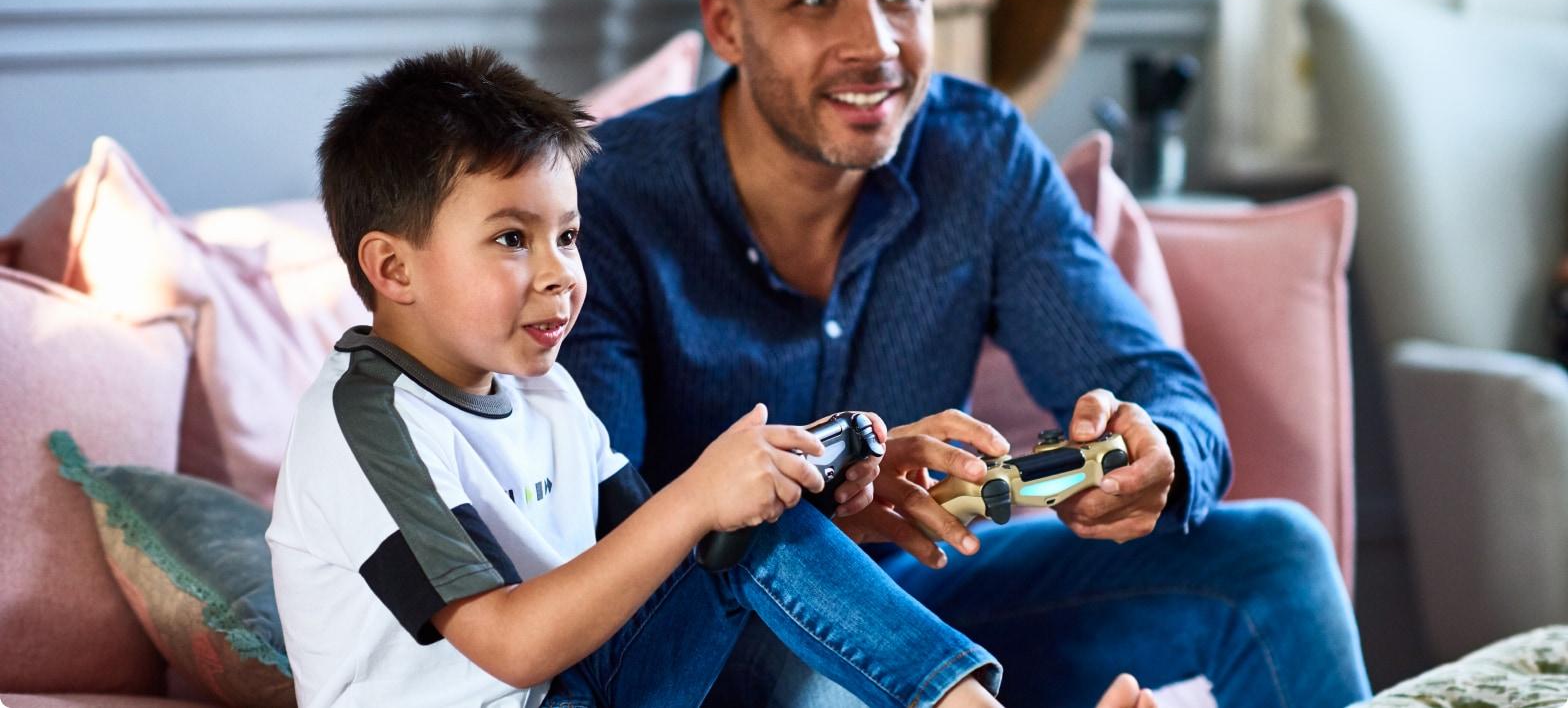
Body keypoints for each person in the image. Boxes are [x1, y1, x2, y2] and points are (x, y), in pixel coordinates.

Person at [558, 0, 1373, 708]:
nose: (875, 45)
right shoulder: (605, 206)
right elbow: (600, 535)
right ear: (726, 25)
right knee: (811, 654)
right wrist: (830, 499)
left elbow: (1155, 383)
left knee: (1278, 554)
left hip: (928, 598)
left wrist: (1158, 448)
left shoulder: (979, 154)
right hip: (719, 644)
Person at [265, 47, 1157, 708]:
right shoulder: (370, 420)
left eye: (569, 235)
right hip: (543, 686)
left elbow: (671, 558)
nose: (560, 273)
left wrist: (816, 493)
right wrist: (702, 498)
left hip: (591, 689)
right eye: (511, 238)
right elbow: (505, 645)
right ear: (392, 269)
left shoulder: (544, 393)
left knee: (751, 540)